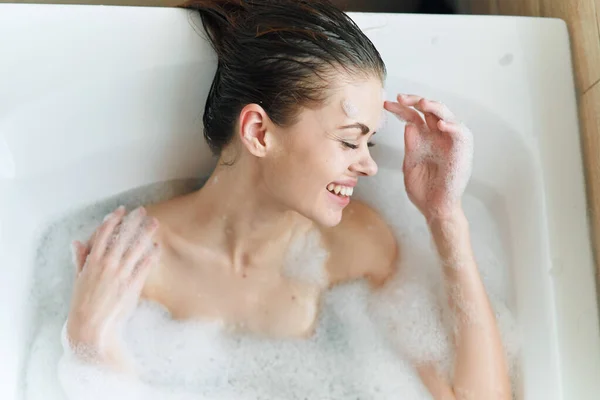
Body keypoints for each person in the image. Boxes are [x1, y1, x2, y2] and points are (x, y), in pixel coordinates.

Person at [64, 1, 510, 398]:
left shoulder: (355, 247)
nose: (370, 167)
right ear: (259, 132)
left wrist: (444, 217)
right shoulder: (133, 264)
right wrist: (91, 344)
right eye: (348, 141)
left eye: (370, 144)